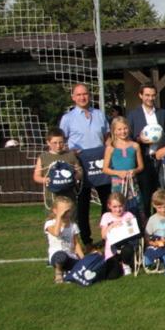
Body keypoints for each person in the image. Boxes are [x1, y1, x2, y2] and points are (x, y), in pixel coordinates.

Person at [59, 83, 111, 247]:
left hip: (101, 164)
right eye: (79, 95)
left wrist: (109, 151)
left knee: (107, 202)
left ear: (89, 95)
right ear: (73, 97)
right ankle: (87, 241)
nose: (82, 97)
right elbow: (61, 142)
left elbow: (107, 137)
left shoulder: (99, 114)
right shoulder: (67, 118)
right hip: (80, 165)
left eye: (85, 94)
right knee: (83, 205)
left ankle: (108, 236)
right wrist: (70, 152)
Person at [127, 83, 165, 219]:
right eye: (147, 95)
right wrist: (139, 139)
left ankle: (162, 222)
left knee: (162, 194)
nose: (150, 98)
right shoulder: (133, 115)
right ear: (140, 95)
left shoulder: (162, 113)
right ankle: (146, 225)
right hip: (143, 160)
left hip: (161, 159)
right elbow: (128, 138)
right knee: (146, 196)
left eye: (153, 95)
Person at [102, 117, 145, 218]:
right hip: (118, 184)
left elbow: (141, 166)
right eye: (119, 129)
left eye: (125, 128)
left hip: (132, 183)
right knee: (119, 208)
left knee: (137, 207)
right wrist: (118, 173)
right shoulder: (110, 148)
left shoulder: (135, 146)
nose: (123, 131)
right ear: (114, 131)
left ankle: (139, 226)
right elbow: (105, 169)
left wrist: (134, 171)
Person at [33, 127, 83, 209]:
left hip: (69, 195)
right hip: (52, 196)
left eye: (61, 142)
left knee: (70, 216)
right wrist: (45, 180)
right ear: (48, 142)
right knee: (53, 217)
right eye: (54, 143)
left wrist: (75, 177)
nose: (58, 146)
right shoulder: (43, 157)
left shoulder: (70, 155)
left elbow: (80, 171)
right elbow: (36, 176)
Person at [45, 196, 85, 284]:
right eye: (64, 211)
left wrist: (83, 259)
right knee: (61, 256)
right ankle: (58, 271)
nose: (66, 214)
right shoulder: (50, 223)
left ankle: (67, 271)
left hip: (70, 255)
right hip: (56, 256)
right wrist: (59, 217)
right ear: (55, 211)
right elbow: (56, 233)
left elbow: (76, 243)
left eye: (68, 211)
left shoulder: (73, 226)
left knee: (82, 267)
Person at [100, 192, 139, 277]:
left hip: (126, 248)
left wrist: (125, 225)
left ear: (124, 205)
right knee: (112, 276)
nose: (118, 209)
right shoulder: (106, 216)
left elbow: (134, 232)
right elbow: (103, 236)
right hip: (111, 252)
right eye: (115, 207)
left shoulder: (128, 215)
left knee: (127, 249)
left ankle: (125, 264)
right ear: (109, 206)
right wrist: (111, 226)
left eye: (120, 206)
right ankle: (119, 265)